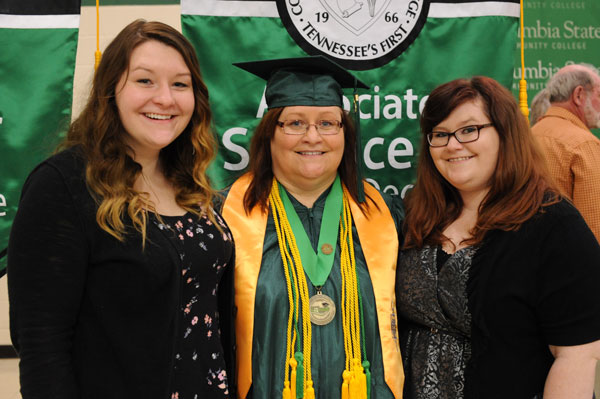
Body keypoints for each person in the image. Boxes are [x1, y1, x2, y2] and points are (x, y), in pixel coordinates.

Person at [8, 20, 235, 399]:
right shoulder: (64, 185)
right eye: (145, 81)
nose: (165, 98)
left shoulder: (192, 186)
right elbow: (40, 344)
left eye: (180, 84)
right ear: (110, 90)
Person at [397, 76, 600, 399]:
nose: (452, 144)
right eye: (440, 134)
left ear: (506, 133)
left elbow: (576, 355)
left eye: (469, 130)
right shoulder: (419, 214)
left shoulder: (554, 225)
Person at [221, 56, 404, 399]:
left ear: (345, 135)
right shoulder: (226, 217)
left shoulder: (385, 215)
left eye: (328, 123)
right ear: (270, 133)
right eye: (295, 123)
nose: (312, 136)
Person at [531, 63, 600, 242]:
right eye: (599, 95)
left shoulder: (527, 137)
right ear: (579, 95)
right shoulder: (584, 144)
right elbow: (594, 227)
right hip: (571, 262)